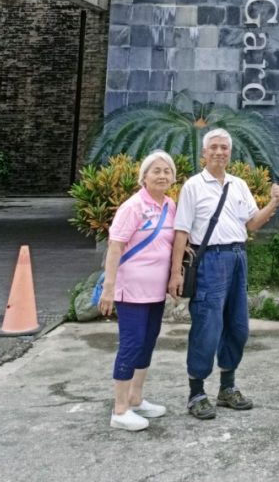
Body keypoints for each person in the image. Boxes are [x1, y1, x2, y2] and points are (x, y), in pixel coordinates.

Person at [168, 127, 279, 420]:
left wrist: (273, 202)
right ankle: (196, 392)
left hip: (237, 257)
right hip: (209, 261)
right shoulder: (194, 186)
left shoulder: (238, 185)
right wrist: (175, 273)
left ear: (230, 153)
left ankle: (227, 388)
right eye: (214, 147)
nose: (220, 152)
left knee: (237, 326)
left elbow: (252, 224)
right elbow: (181, 230)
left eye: (225, 148)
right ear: (204, 153)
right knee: (207, 327)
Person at [99, 149, 177, 432]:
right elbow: (115, 246)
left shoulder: (170, 205)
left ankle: (136, 397)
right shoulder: (132, 206)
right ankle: (120, 410)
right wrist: (109, 288)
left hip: (155, 291)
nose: (162, 175)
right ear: (143, 177)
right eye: (156, 170)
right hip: (129, 290)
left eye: (167, 171)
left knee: (147, 343)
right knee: (131, 345)